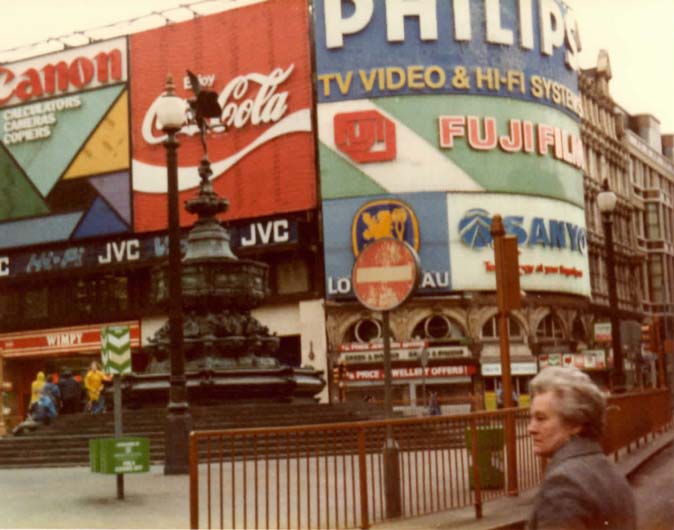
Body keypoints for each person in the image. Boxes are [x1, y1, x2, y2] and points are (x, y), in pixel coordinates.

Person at [527, 366, 636, 530]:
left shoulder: (562, 484)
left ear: (575, 423)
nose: (531, 428)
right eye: (532, 418)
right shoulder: (611, 472)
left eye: (541, 418)